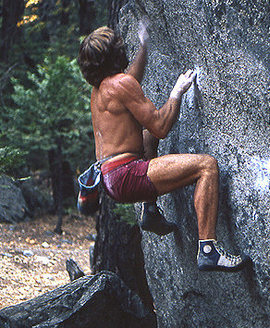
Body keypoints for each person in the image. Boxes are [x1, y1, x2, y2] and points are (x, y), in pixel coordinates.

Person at [77, 23, 250, 272]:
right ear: (114, 55)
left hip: (110, 177)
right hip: (127, 174)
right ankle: (208, 250)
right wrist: (177, 92)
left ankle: (150, 209)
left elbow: (131, 80)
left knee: (147, 138)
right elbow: (161, 126)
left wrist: (144, 47)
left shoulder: (101, 89)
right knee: (207, 166)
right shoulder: (121, 84)